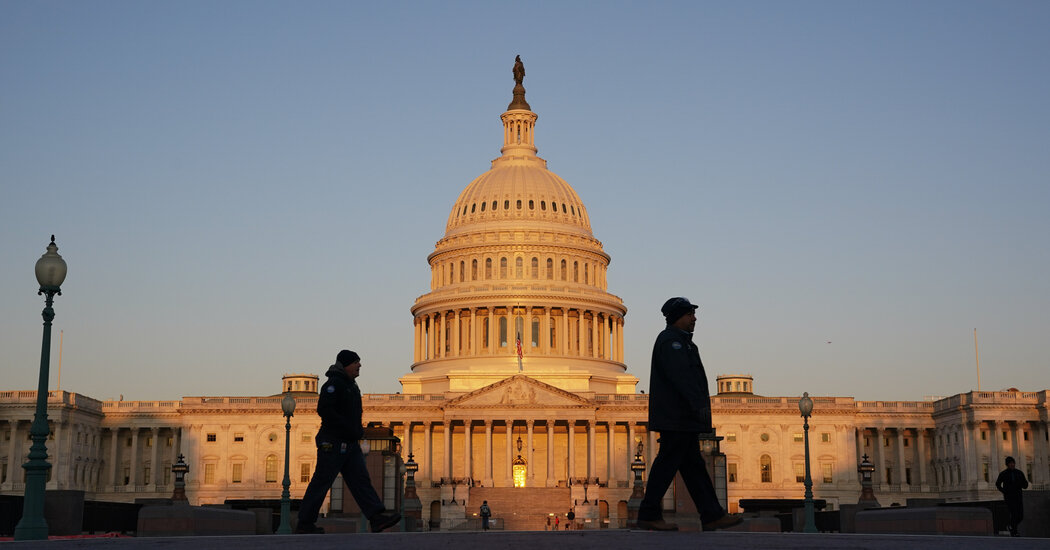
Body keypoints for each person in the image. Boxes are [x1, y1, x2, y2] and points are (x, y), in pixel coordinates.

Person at [636, 298, 743, 532]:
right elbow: (682, 378)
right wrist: (697, 406)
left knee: (693, 467)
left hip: (681, 415)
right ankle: (648, 513)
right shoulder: (671, 342)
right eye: (689, 315)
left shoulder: (681, 342)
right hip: (678, 415)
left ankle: (712, 514)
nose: (694, 318)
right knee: (667, 464)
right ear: (678, 317)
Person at [296, 350, 401, 534]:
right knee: (322, 481)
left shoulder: (351, 385)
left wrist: (356, 431)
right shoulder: (334, 384)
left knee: (361, 480)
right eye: (356, 362)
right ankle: (305, 523)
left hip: (350, 442)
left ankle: (376, 518)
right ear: (345, 364)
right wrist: (346, 427)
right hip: (333, 441)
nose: (359, 366)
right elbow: (324, 409)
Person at [996, 456, 1029, 536]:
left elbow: (1025, 484)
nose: (1012, 464)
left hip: (1018, 496)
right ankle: (1014, 532)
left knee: (1020, 516)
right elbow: (998, 484)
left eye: (1013, 463)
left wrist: (1023, 484)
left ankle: (1010, 526)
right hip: (1009, 497)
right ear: (1007, 464)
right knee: (1014, 514)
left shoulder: (1019, 473)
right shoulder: (1003, 474)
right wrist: (1004, 491)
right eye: (1010, 463)